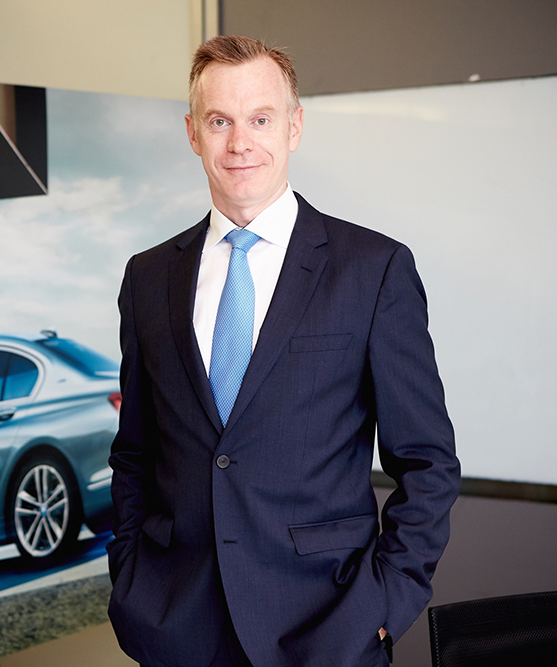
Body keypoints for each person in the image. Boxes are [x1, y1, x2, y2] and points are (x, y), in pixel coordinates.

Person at [106, 35, 460, 667]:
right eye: (220, 121)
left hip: (327, 629)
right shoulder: (148, 277)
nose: (240, 143)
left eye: (261, 119)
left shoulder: (373, 269)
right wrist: (130, 581)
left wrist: (382, 608)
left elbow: (427, 462)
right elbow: (135, 453)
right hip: (176, 628)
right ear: (192, 133)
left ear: (295, 126)